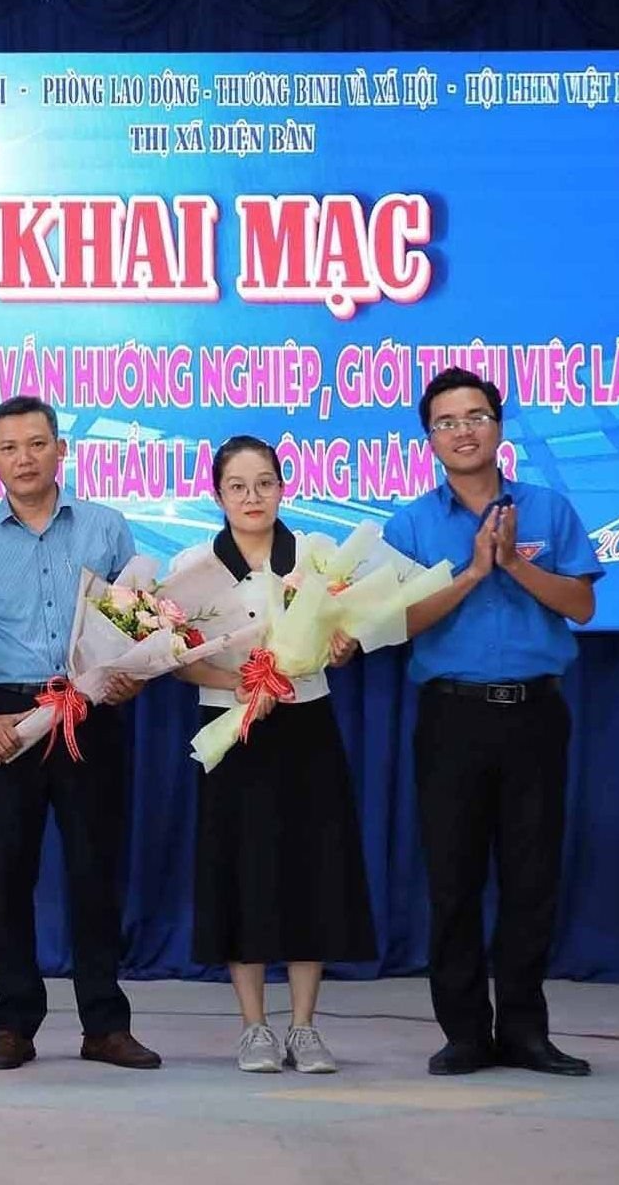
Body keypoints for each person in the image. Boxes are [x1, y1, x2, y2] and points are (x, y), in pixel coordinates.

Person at [385, 368, 601, 1078]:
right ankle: (465, 1032)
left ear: (499, 426)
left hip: (536, 714)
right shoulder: (412, 522)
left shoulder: (548, 507)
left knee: (531, 876)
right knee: (453, 878)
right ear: (430, 440)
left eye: (475, 416)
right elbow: (398, 621)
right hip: (452, 718)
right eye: (446, 422)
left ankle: (526, 1029)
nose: (463, 431)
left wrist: (511, 561)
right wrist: (475, 572)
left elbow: (580, 605)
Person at [0, 395, 160, 1071]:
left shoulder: (105, 527)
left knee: (96, 870)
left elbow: (139, 623)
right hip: (10, 718)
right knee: (8, 873)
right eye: (10, 447)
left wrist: (135, 676)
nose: (24, 458)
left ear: (62, 449)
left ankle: (105, 1024)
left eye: (38, 444)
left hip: (93, 709)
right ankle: (15, 1023)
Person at [169, 436, 378, 1074]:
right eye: (238, 486)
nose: (252, 497)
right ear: (218, 495)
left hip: (307, 726)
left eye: (264, 483)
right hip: (233, 731)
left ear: (283, 486)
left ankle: (306, 1026)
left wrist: (345, 641)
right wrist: (231, 683)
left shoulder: (316, 558)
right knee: (242, 868)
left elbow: (352, 627)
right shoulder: (192, 566)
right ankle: (255, 1026)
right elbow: (173, 659)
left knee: (316, 868)